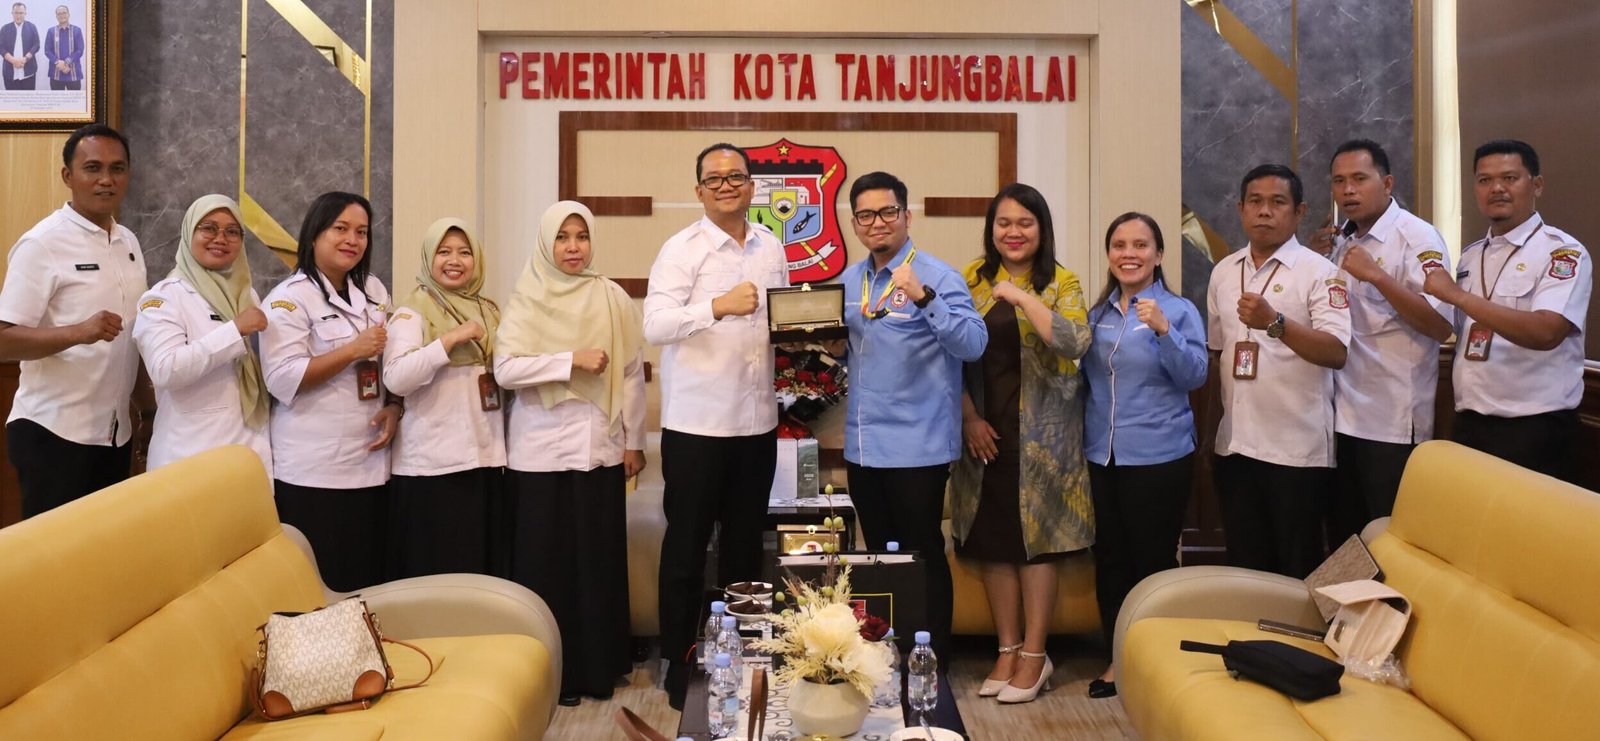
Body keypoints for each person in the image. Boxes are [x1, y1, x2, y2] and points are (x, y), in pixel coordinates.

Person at [642, 142, 788, 709]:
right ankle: (680, 665)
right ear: (699, 190)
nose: (727, 185)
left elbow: (780, 319)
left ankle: (745, 660)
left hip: (757, 423)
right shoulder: (681, 249)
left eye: (737, 177)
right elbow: (654, 324)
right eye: (715, 178)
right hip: (697, 427)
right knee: (685, 549)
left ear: (752, 188)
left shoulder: (771, 246)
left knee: (746, 550)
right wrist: (717, 307)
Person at [496, 201, 645, 707]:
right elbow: (506, 370)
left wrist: (634, 441)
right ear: (546, 243)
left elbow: (629, 373)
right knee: (546, 566)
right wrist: (570, 361)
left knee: (597, 561)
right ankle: (549, 675)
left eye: (581, 236)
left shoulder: (612, 296)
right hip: (537, 453)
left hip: (598, 449)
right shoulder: (527, 295)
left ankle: (598, 667)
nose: (574, 247)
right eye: (563, 238)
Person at [948, 183, 1091, 704]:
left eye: (1025, 223)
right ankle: (1006, 649)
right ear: (992, 229)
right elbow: (948, 356)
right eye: (1004, 223)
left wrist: (1024, 297)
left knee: (1036, 545)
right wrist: (967, 418)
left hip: (1045, 442)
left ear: (1042, 229)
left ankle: (1035, 654)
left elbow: (1076, 343)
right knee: (993, 545)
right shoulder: (969, 278)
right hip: (982, 434)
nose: (1013, 232)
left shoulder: (1062, 282)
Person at [840, 171, 987, 658]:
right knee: (878, 559)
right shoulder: (850, 279)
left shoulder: (939, 276)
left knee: (921, 556)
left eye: (887, 212)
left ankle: (933, 658)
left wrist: (924, 297)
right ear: (856, 222)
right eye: (865, 214)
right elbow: (846, 349)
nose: (876, 222)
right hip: (863, 445)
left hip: (918, 446)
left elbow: (972, 344)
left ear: (907, 215)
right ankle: (884, 655)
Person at [1081, 211, 1208, 699]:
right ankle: (1117, 657)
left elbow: (1194, 375)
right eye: (1118, 244)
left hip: (1160, 456)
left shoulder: (1176, 310)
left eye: (1140, 245)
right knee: (1110, 559)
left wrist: (1162, 331)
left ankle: (1155, 658)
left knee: (1151, 562)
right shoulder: (1097, 315)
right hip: (1103, 455)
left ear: (1158, 254)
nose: (1128, 253)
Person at [1206, 164, 1351, 579]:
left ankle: (1293, 646)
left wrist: (1276, 322)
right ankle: (1251, 644)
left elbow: (1337, 352)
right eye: (1255, 202)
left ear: (1300, 211)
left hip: (1297, 453)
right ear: (1240, 209)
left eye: (1277, 203)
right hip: (1235, 449)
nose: (1264, 212)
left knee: (1295, 571)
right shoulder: (1224, 272)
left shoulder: (1321, 273)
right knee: (1246, 570)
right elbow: (1219, 353)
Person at [0, 124, 149, 518]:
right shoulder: (42, 244)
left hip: (113, 435)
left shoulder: (129, 242)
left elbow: (132, 339)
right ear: (68, 176)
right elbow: (3, 341)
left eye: (117, 169)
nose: (106, 180)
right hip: (54, 434)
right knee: (52, 566)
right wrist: (79, 332)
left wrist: (147, 410)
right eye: (93, 168)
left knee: (101, 558)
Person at [1311, 140, 1454, 543]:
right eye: (1339, 182)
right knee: (1345, 537)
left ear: (1387, 182)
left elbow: (1441, 325)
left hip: (1391, 422)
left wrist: (1379, 277)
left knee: (1389, 540)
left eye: (1359, 179)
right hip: (1341, 415)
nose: (1348, 191)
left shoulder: (1417, 237)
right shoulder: (1341, 239)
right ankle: (1344, 609)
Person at [1424, 139, 1591, 483]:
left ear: (1536, 185)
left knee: (1530, 534)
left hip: (1533, 429)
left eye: (1510, 178)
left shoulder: (1562, 253)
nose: (1496, 188)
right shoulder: (1471, 256)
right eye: (1484, 180)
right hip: (1471, 423)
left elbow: (1547, 332)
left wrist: (1457, 296)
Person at [261, 192, 400, 591]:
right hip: (313, 471)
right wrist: (351, 351)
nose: (352, 240)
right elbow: (283, 379)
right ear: (314, 235)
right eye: (340, 229)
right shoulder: (289, 299)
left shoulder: (373, 289)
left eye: (361, 232)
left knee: (366, 581)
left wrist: (394, 405)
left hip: (370, 463)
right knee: (317, 585)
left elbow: (392, 359)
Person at [381, 218, 504, 578]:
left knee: (479, 573)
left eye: (465, 252)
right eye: (444, 251)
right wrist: (448, 341)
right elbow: (397, 378)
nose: (455, 260)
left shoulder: (489, 310)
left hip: (485, 457)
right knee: (437, 574)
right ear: (428, 258)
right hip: (432, 466)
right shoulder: (411, 311)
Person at [132, 194, 272, 476]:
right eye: (208, 227)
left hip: (247, 454)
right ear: (189, 233)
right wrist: (234, 331)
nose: (221, 238)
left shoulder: (247, 296)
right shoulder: (164, 297)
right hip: (189, 456)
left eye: (232, 231)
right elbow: (165, 370)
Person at [42, 5, 82, 91]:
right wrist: (59, 63)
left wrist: (66, 62)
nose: (62, 15)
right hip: (56, 73)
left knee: (74, 102)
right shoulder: (51, 31)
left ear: (68, 14)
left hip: (73, 73)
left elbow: (80, 50)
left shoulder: (77, 30)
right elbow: (47, 50)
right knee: (57, 103)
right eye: (59, 14)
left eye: (64, 13)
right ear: (56, 16)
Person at [1, 3, 39, 91]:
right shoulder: (5, 28)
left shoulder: (32, 27)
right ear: (12, 13)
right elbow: (1, 47)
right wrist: (13, 60)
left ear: (25, 13)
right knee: (12, 101)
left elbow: (36, 45)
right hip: (10, 72)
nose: (18, 16)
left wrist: (25, 59)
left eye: (21, 13)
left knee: (28, 101)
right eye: (16, 13)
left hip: (29, 72)